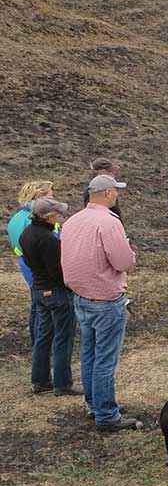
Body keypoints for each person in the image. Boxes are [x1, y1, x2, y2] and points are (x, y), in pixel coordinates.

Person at [60, 175, 141, 432]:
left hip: (81, 298)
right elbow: (122, 262)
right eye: (115, 191)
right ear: (107, 193)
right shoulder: (108, 222)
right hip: (106, 300)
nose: (117, 195)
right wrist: (131, 254)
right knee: (105, 359)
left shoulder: (72, 220)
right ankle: (107, 415)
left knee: (89, 354)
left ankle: (95, 404)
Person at [20, 197, 82, 396]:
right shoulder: (48, 239)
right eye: (56, 214)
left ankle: (40, 381)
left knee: (43, 337)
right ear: (47, 217)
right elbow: (58, 271)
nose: (60, 217)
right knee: (63, 338)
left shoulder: (26, 233)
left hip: (39, 290)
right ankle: (62, 384)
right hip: (56, 292)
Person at [7, 181, 55, 348]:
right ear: (38, 197)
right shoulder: (34, 220)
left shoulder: (16, 218)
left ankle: (38, 344)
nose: (53, 199)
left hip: (25, 263)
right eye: (50, 196)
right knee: (44, 307)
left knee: (36, 303)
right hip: (40, 266)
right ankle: (42, 346)